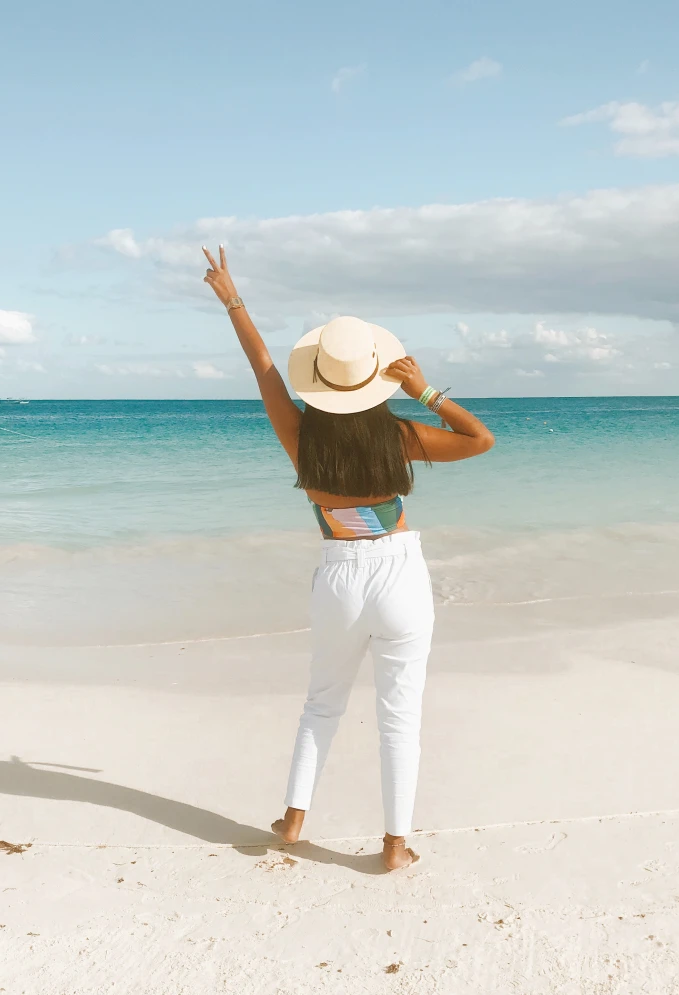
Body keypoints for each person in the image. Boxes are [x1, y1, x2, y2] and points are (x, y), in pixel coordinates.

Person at [203, 245, 494, 871]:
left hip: (338, 575)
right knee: (400, 715)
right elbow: (481, 440)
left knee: (321, 703)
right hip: (398, 575)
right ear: (376, 375)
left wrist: (231, 298)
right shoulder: (400, 435)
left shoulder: (299, 436)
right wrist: (425, 390)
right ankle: (394, 846)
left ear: (321, 380)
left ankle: (294, 818)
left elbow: (261, 368)